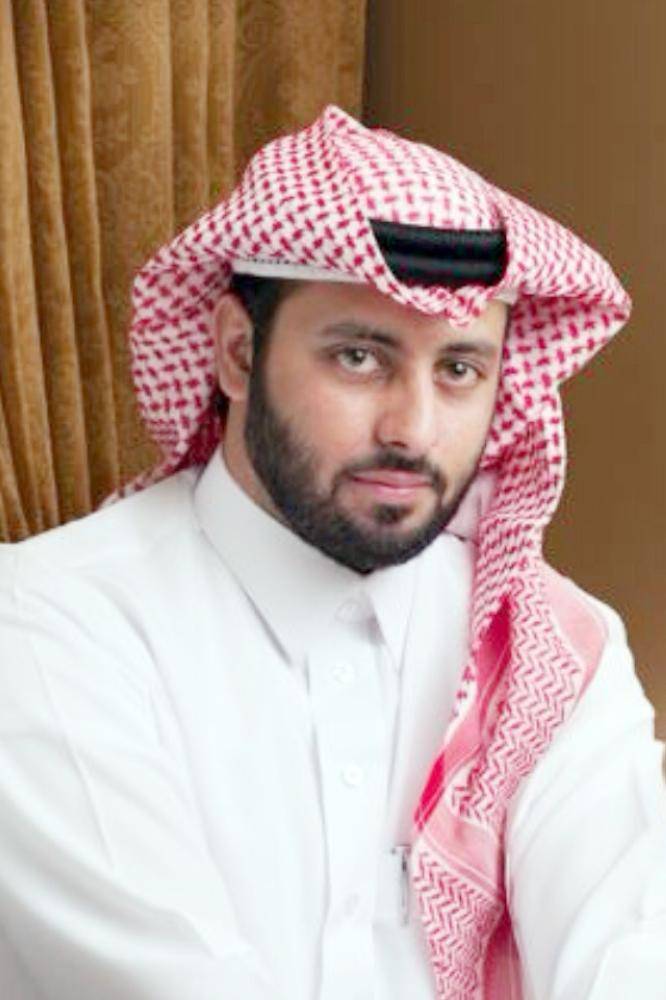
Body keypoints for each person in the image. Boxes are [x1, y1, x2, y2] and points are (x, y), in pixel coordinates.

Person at [0, 105, 664, 1000]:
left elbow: (630, 959)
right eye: (359, 357)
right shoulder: (49, 629)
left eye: (459, 369)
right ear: (237, 354)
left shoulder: (552, 649)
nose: (412, 429)